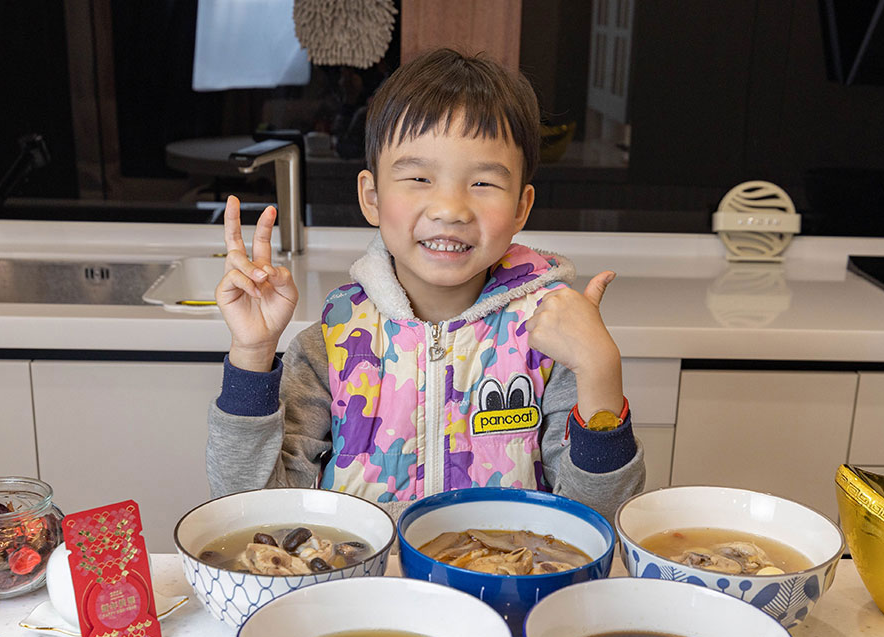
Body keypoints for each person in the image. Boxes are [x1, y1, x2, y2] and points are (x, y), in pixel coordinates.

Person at [207, 48, 644, 519]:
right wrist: (250, 357)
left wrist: (601, 371)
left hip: (504, 591)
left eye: (482, 183)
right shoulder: (331, 345)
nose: (450, 208)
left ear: (521, 206)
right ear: (371, 197)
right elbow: (249, 512)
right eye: (419, 177)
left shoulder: (550, 342)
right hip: (364, 590)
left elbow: (598, 523)